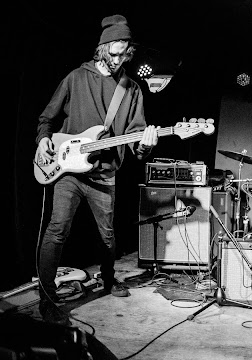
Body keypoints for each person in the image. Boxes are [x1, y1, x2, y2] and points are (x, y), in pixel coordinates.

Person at [35, 14, 159, 326]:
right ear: (102, 49)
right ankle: (47, 299)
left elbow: (137, 146)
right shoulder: (77, 77)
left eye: (124, 54)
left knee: (107, 236)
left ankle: (107, 278)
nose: (118, 60)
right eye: (113, 53)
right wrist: (42, 141)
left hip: (105, 174)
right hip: (66, 172)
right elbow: (46, 119)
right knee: (56, 230)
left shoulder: (131, 91)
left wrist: (146, 144)